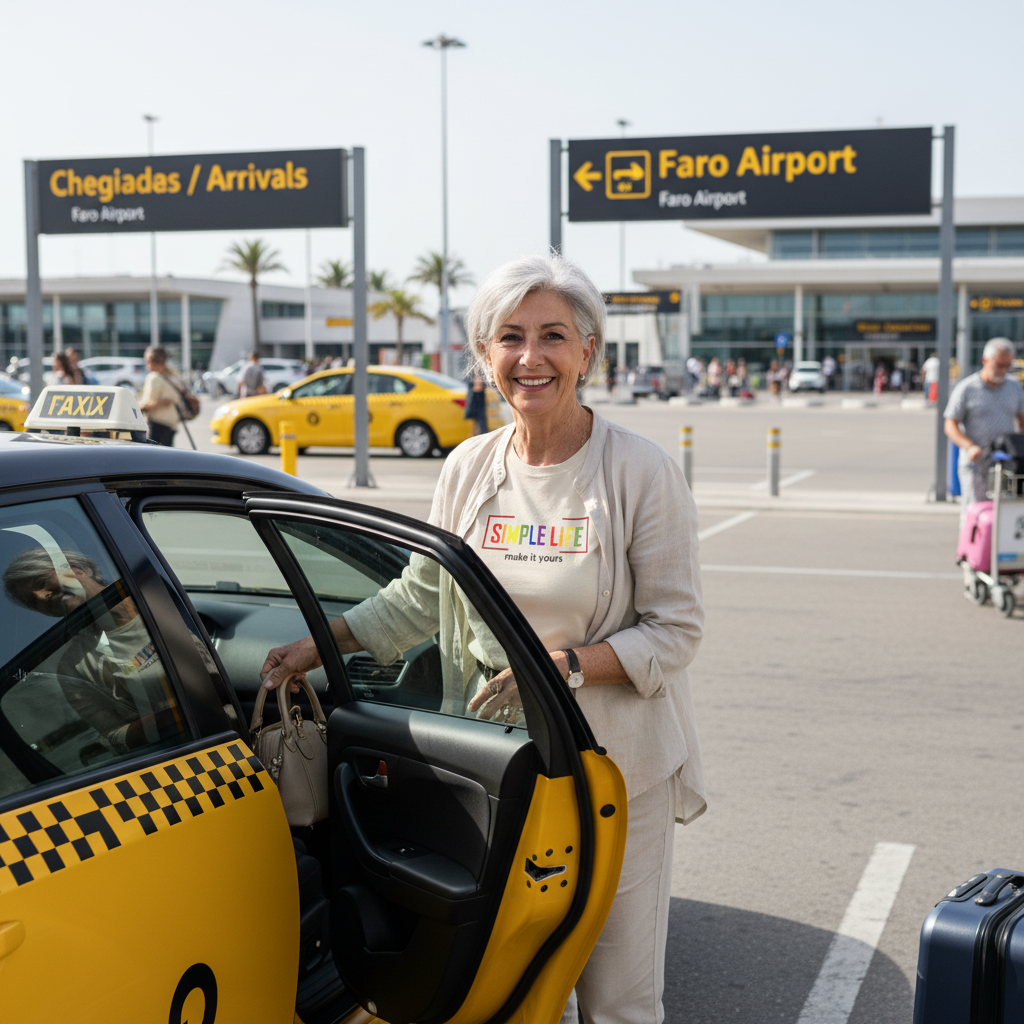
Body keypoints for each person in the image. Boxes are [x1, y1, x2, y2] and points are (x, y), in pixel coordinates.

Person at [260, 253, 705, 1024]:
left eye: (553, 336)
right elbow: (420, 595)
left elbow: (676, 631)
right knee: (515, 985)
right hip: (499, 769)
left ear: (588, 350)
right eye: (511, 337)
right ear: (484, 354)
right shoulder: (469, 466)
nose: (531, 357)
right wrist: (320, 644)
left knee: (618, 998)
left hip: (611, 775)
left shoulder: (640, 471)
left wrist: (565, 668)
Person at [3, 546, 181, 754]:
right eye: (32, 601)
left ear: (78, 569)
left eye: (41, 583)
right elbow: (114, 736)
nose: (42, 596)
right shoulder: (73, 667)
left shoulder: (157, 599)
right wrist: (168, 720)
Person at [944, 337, 1024, 529]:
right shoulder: (967, 388)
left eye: (1007, 366)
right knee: (975, 515)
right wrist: (969, 446)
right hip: (976, 463)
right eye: (999, 365)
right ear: (985, 360)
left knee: (1004, 518)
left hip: (1005, 464)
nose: (1003, 370)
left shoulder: (1014, 387)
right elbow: (950, 424)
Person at [138, 345, 183, 447]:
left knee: (153, 454)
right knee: (168, 454)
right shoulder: (172, 375)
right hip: (171, 424)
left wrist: (135, 408)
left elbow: (148, 404)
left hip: (158, 424)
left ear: (150, 361)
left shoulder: (154, 378)